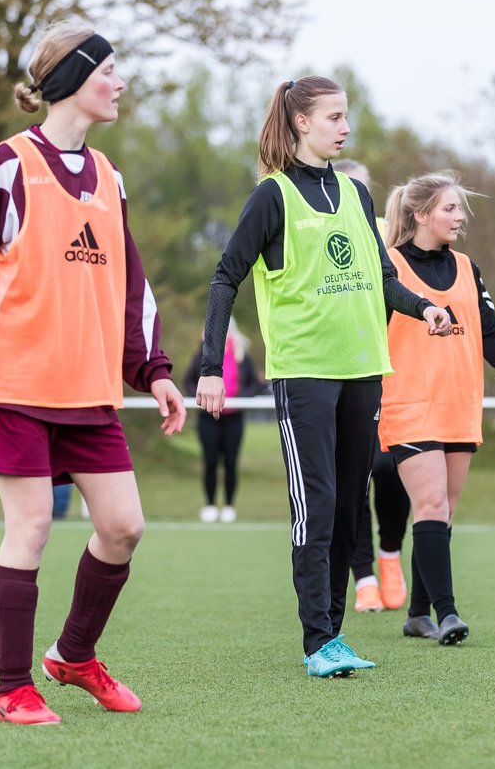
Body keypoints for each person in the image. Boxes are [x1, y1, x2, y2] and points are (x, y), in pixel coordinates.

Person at [0, 20, 187, 725]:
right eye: (110, 69)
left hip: (89, 391)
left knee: (124, 526)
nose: (121, 83)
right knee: (33, 525)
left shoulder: (110, 177)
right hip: (14, 388)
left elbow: (131, 287)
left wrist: (154, 370)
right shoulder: (5, 165)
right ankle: (13, 687)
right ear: (74, 78)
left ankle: (73, 657)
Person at [195, 76, 453, 678]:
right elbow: (224, 278)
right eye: (334, 117)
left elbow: (380, 280)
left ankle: (333, 636)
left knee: (345, 508)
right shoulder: (272, 197)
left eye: (346, 117)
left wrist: (425, 308)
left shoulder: (356, 196)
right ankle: (317, 641)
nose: (344, 127)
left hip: (364, 367)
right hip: (305, 372)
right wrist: (212, 366)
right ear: (301, 123)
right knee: (318, 504)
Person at [377, 173, 495, 645]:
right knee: (429, 503)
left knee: (441, 510)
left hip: (459, 402)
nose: (460, 217)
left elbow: (488, 326)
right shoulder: (387, 266)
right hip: (407, 402)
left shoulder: (468, 267)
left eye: (459, 209)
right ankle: (448, 614)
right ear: (421, 214)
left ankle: (417, 613)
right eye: (450, 208)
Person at [334, 159, 413, 614]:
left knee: (388, 469)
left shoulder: (387, 231)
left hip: (394, 370)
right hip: (343, 367)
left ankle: (389, 556)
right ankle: (362, 577)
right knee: (354, 476)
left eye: (364, 187)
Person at [181, 318, 264, 523]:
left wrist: (242, 398)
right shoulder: (203, 353)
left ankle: (228, 505)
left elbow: (255, 384)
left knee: (230, 462)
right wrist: (200, 398)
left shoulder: (241, 355)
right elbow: (188, 380)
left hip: (234, 418)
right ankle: (210, 505)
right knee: (210, 461)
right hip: (208, 418)